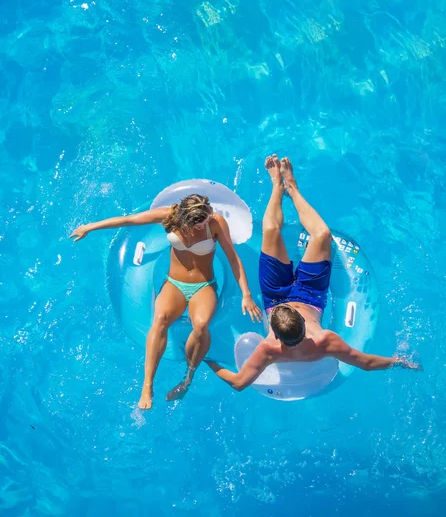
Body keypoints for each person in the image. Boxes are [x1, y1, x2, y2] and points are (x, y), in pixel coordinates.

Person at [206, 155, 422, 392]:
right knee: (322, 235)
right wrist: (399, 362)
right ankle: (293, 189)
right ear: (301, 325)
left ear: (276, 335)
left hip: (275, 295)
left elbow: (238, 383)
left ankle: (277, 187)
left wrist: (210, 361)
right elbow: (367, 363)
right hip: (310, 295)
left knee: (271, 230)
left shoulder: (268, 349)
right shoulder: (323, 341)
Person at [70, 193, 261, 408]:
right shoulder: (169, 216)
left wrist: (246, 294)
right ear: (186, 219)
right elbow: (130, 219)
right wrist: (90, 227)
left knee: (200, 326)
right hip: (174, 283)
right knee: (160, 319)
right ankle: (147, 386)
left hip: (203, 286)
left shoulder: (215, 222)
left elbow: (233, 259)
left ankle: (188, 378)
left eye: (207, 217)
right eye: (201, 223)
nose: (207, 222)